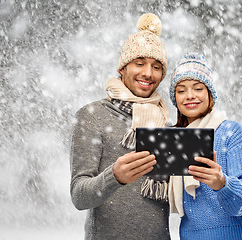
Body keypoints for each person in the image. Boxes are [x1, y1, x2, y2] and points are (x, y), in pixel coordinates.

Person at [69, 13, 171, 240]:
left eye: (156, 66)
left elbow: (179, 199)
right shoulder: (92, 116)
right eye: (139, 63)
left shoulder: (165, 124)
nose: (147, 73)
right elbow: (78, 195)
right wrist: (114, 176)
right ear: (122, 68)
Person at [168, 53, 242, 239]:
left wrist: (222, 183)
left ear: (209, 94)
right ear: (175, 99)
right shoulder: (174, 140)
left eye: (198, 88)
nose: (190, 96)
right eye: (181, 90)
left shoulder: (230, 131)